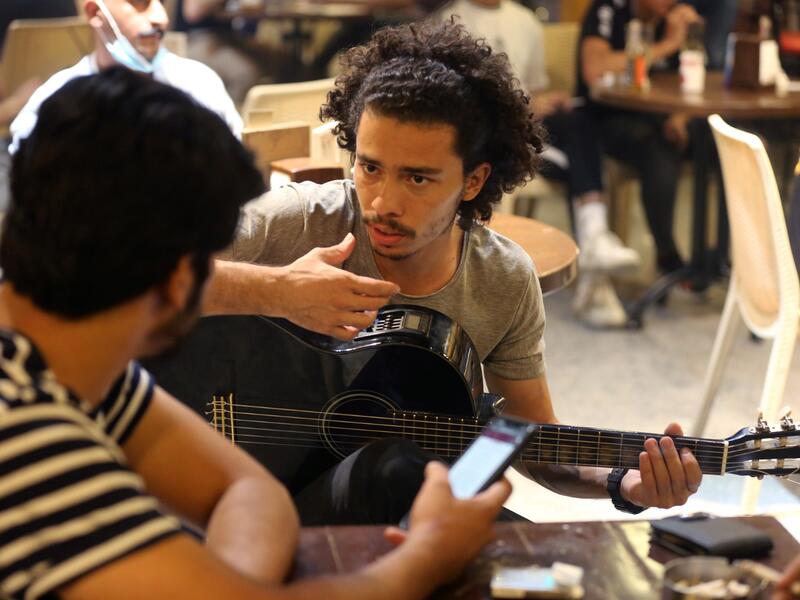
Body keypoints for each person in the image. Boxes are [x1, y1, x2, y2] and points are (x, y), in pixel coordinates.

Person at [0, 65, 510, 600]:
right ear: (178, 279)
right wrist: (426, 555)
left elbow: (247, 489)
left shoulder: (79, 368)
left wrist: (227, 587)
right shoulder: (24, 435)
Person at [212, 19, 704, 525]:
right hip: (239, 501)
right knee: (393, 470)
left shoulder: (502, 279)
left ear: (473, 181)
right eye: (370, 167)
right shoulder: (301, 222)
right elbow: (158, 273)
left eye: (417, 178)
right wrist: (278, 290)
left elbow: (529, 439)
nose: (382, 203)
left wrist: (624, 482)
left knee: (456, 498)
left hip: (399, 523)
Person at [433, 0, 639, 327]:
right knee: (580, 159)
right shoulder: (448, 20)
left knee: (578, 122)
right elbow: (451, 103)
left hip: (529, 130)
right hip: (486, 136)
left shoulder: (525, 20)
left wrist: (544, 102)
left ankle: (595, 251)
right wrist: (524, 106)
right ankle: (595, 268)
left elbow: (535, 88)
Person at [9, 0, 242, 152]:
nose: (160, 18)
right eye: (139, 3)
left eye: (162, 2)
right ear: (94, 12)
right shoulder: (55, 102)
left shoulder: (199, 85)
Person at [578, 0, 703, 276]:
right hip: (610, 118)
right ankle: (667, 256)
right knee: (658, 148)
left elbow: (696, 79)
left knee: (720, 140)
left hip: (665, 117)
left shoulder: (676, 18)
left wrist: (681, 116)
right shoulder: (608, 9)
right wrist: (668, 44)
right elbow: (595, 69)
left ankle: (716, 258)